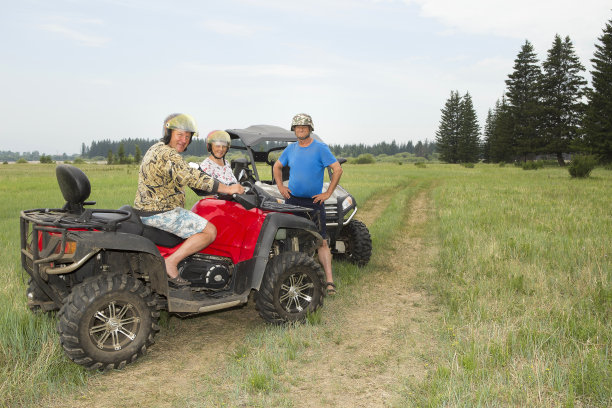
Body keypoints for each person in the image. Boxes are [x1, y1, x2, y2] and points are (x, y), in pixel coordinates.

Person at [134, 113, 244, 287]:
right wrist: (228, 188)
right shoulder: (167, 154)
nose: (183, 140)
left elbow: (185, 175)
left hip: (148, 210)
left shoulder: (155, 148)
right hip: (162, 212)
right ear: (168, 131)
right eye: (179, 135)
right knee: (210, 231)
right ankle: (171, 262)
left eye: (187, 136)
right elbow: (192, 176)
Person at [273, 113, 343, 295]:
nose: (301, 129)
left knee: (321, 241)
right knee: (289, 239)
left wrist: (328, 193)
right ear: (294, 130)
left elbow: (337, 169)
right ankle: (291, 275)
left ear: (310, 129)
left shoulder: (320, 148)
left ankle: (329, 281)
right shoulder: (290, 149)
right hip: (293, 201)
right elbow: (277, 166)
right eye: (297, 127)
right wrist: (281, 186)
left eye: (304, 127)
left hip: (314, 202)